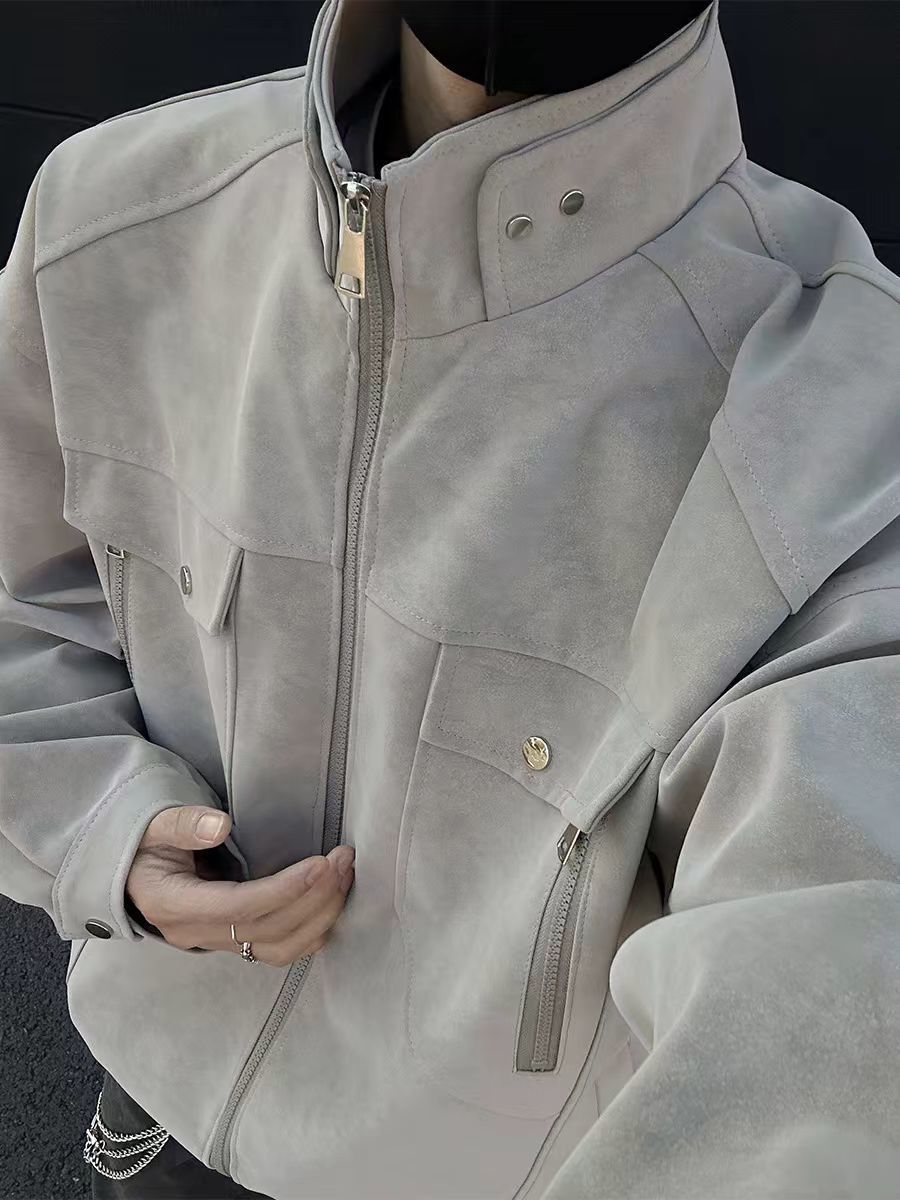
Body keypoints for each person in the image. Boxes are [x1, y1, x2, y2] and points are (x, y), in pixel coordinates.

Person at [1, 0, 899, 1196]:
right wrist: (103, 830)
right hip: (159, 1095)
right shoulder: (115, 215)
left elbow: (827, 997)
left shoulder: (840, 407)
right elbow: (23, 603)